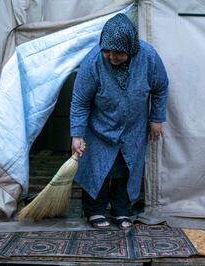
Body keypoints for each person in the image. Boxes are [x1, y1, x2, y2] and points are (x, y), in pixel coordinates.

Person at [70, 13, 168, 229]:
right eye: (107, 51)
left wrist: (156, 119)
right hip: (99, 129)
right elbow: (79, 100)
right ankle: (95, 211)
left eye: (118, 53)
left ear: (131, 48)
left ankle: (120, 211)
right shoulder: (93, 61)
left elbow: (160, 87)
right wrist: (77, 134)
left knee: (126, 170)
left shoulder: (149, 57)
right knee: (98, 169)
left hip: (133, 128)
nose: (112, 57)